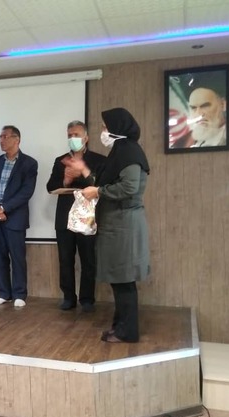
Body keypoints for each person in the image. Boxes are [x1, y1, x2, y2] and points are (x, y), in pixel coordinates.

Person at [67, 108, 150, 343]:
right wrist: (84, 171)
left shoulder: (129, 152)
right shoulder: (120, 152)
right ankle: (120, 326)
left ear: (117, 127)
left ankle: (127, 331)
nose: (103, 131)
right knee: (119, 279)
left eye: (105, 127)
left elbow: (129, 187)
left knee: (124, 280)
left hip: (124, 224)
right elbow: (104, 181)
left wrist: (99, 191)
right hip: (117, 223)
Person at [46, 120, 106, 312]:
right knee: (65, 260)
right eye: (69, 135)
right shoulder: (61, 160)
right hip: (65, 217)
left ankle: (87, 299)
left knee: (88, 259)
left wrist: (82, 172)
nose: (72, 138)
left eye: (76, 135)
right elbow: (50, 187)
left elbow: (101, 185)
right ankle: (68, 297)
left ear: (86, 138)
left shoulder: (99, 160)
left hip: (87, 218)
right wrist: (66, 179)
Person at [0, 126, 38, 308]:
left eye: (5, 137)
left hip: (15, 217)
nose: (1, 140)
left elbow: (26, 192)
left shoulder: (29, 163)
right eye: (0, 137)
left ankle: (19, 293)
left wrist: (4, 208)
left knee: (17, 257)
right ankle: (3, 293)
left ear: (17, 139)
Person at [186, 73, 227, 147]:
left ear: (223, 104)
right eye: (193, 108)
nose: (198, 114)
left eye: (205, 106)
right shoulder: (189, 141)